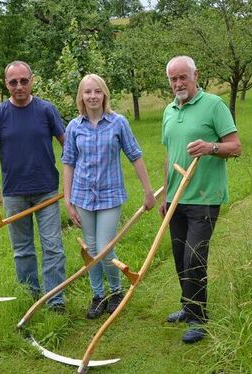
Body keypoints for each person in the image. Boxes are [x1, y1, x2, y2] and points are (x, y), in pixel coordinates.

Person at [160, 56, 242, 343]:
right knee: (180, 255)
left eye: (183, 77)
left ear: (196, 75)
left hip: (205, 196)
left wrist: (211, 147)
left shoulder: (214, 105)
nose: (178, 83)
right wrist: (165, 193)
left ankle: (199, 319)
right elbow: (170, 155)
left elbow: (236, 147)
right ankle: (188, 305)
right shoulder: (169, 110)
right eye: (173, 79)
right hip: (176, 197)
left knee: (194, 256)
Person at [62, 74, 156, 319]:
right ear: (81, 97)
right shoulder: (74, 127)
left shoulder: (118, 123)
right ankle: (97, 295)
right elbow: (68, 163)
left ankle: (115, 291)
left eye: (97, 91)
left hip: (110, 196)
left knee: (105, 247)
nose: (93, 96)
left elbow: (135, 155)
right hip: (82, 196)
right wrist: (67, 199)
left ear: (104, 94)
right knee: (91, 249)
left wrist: (148, 191)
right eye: (87, 92)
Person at [0, 60, 67, 311]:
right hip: (14, 193)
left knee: (53, 247)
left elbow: (67, 143)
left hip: (47, 190)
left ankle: (56, 300)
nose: (19, 86)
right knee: (23, 250)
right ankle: (31, 298)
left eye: (23, 81)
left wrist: (74, 178)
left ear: (32, 81)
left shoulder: (46, 110)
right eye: (13, 82)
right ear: (6, 84)